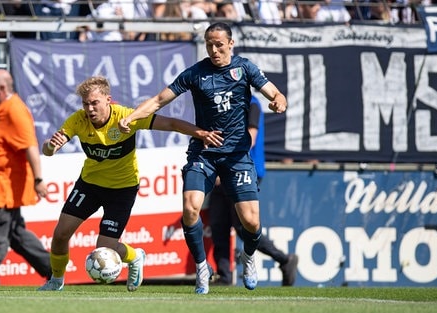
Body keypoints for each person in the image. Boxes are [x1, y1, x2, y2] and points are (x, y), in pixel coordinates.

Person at [118, 22, 288, 294]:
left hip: (236, 155)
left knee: (251, 222)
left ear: (231, 44)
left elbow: (274, 92)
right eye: (209, 44)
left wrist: (279, 100)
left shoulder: (245, 68)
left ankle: (249, 256)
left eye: (219, 44)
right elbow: (160, 100)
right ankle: (201, 268)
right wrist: (131, 117)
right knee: (190, 208)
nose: (214, 49)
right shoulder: (196, 73)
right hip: (204, 153)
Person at [38, 76, 223, 292]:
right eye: (85, 103)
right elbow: (47, 151)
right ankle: (56, 281)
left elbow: (170, 123)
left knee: (104, 248)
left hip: (122, 190)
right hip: (89, 185)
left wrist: (200, 133)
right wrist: (51, 146)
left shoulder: (126, 117)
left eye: (94, 103)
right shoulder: (78, 120)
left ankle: (135, 256)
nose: (89, 108)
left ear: (108, 100)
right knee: (60, 234)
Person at [208, 95, 298, 286]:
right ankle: (224, 276)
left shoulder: (252, 103)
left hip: (244, 171)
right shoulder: (223, 99)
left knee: (243, 226)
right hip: (221, 172)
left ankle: (284, 259)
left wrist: (225, 165)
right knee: (218, 224)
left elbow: (250, 139)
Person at [0, 69, 52, 285]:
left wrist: (38, 179)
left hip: (3, 188)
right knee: (17, 235)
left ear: (1, 88)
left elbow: (30, 146)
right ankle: (54, 269)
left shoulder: (14, 110)